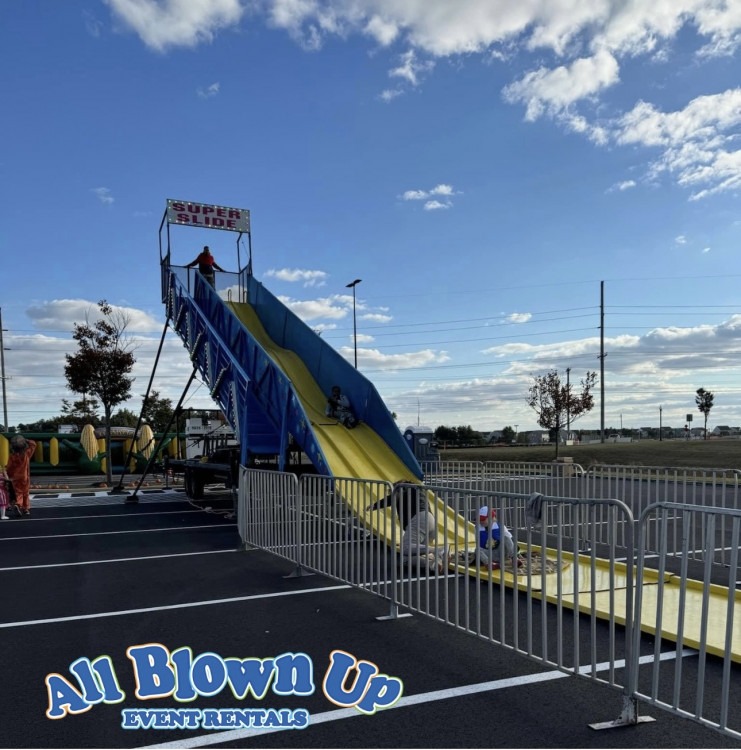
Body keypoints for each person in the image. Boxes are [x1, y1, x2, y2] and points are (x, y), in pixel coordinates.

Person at [367, 481, 446, 574]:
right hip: (431, 521)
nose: (393, 495)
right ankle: (433, 564)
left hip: (419, 519)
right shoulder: (416, 493)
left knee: (406, 548)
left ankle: (439, 550)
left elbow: (390, 498)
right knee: (406, 559)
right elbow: (390, 499)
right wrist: (375, 505)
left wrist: (375, 505)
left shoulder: (408, 492)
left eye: (394, 492)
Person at [477, 505, 521, 570]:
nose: (481, 521)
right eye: (479, 519)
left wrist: (517, 552)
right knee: (477, 550)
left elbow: (510, 541)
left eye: (483, 519)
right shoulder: (478, 528)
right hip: (490, 554)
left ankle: (514, 559)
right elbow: (479, 544)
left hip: (502, 552)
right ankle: (489, 564)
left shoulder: (500, 527)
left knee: (506, 538)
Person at [6, 435, 37, 517]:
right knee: (25, 492)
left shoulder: (12, 457)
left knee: (18, 492)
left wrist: (8, 476)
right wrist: (26, 440)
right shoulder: (26, 454)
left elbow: (9, 468)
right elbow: (33, 444)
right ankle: (25, 508)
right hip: (25, 477)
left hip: (15, 477)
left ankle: (18, 504)